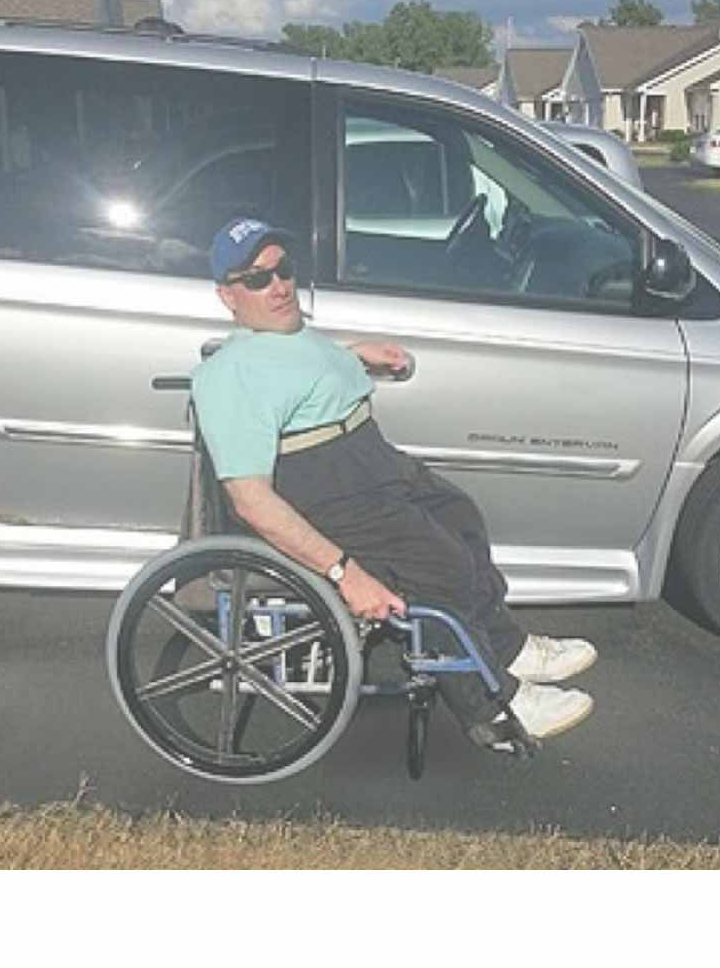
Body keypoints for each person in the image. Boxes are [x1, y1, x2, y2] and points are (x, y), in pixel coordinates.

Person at [190, 217, 596, 751]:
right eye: (258, 279)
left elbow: (295, 370)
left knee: (461, 519)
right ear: (228, 295)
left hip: (366, 455)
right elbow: (251, 500)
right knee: (438, 565)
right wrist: (345, 572)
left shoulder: (286, 334)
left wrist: (353, 354)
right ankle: (492, 707)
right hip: (323, 484)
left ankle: (506, 646)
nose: (280, 285)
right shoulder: (229, 377)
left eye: (284, 269)